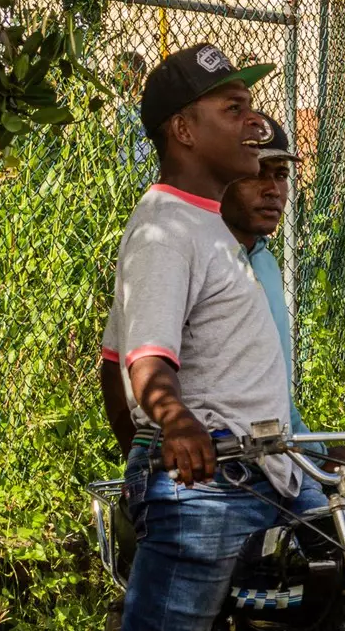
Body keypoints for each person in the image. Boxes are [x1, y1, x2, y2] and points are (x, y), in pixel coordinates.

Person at [92, 43, 319, 631]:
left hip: (265, 482)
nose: (251, 120)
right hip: (204, 488)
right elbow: (141, 362)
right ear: (183, 131)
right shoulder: (163, 229)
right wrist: (171, 423)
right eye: (231, 108)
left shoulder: (213, 232)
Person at [100, 114, 310, 456]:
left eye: (281, 175)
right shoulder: (183, 246)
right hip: (209, 458)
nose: (272, 190)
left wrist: (313, 450)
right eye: (256, 175)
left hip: (272, 454)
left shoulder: (266, 262)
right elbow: (116, 364)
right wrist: (141, 465)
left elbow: (274, 391)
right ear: (222, 180)